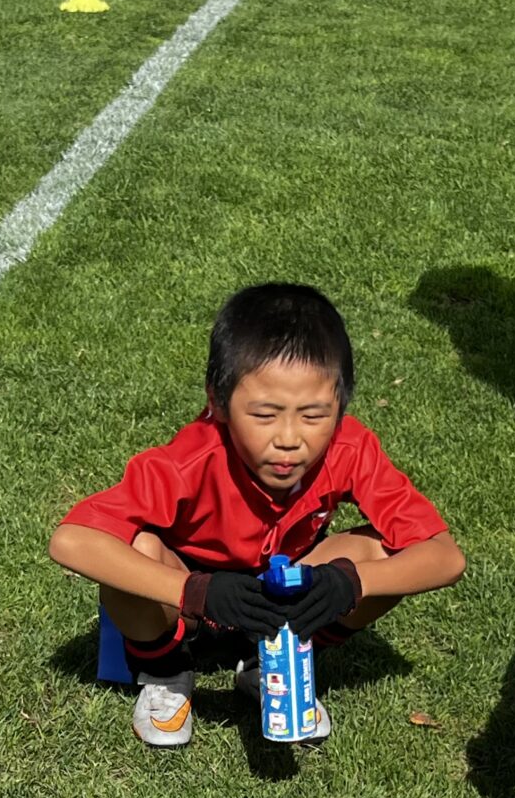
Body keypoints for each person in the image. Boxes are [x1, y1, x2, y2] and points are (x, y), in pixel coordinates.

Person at [50, 283, 466, 748]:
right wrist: (195, 591)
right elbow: (71, 540)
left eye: (313, 416)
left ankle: (271, 665)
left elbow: (445, 558)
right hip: (187, 601)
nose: (289, 438)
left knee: (384, 553)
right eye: (265, 415)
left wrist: (349, 583)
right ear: (218, 401)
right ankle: (166, 671)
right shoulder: (188, 461)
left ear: (341, 407)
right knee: (131, 546)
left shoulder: (351, 449)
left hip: (280, 601)